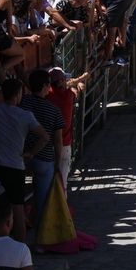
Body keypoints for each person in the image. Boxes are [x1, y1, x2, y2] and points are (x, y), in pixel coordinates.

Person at [0, 78, 48, 243]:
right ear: (17, 94)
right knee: (18, 213)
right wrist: (31, 153)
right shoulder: (26, 115)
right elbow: (44, 137)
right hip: (14, 169)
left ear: (1, 93)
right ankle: (20, 250)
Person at [19, 69, 65, 227]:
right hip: (43, 159)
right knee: (42, 201)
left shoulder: (22, 102)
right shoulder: (54, 111)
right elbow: (58, 141)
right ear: (45, 86)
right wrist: (57, 164)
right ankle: (40, 241)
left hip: (21, 156)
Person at [46, 67, 88, 197]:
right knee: (62, 183)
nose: (66, 81)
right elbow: (69, 86)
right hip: (64, 145)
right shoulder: (68, 96)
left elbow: (67, 85)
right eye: (64, 79)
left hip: (47, 146)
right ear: (59, 82)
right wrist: (80, 80)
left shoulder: (47, 95)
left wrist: (76, 81)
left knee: (47, 183)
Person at [91, 0, 135, 66]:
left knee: (111, 26)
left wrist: (101, 15)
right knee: (119, 18)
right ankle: (121, 45)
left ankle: (108, 57)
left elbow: (97, 2)